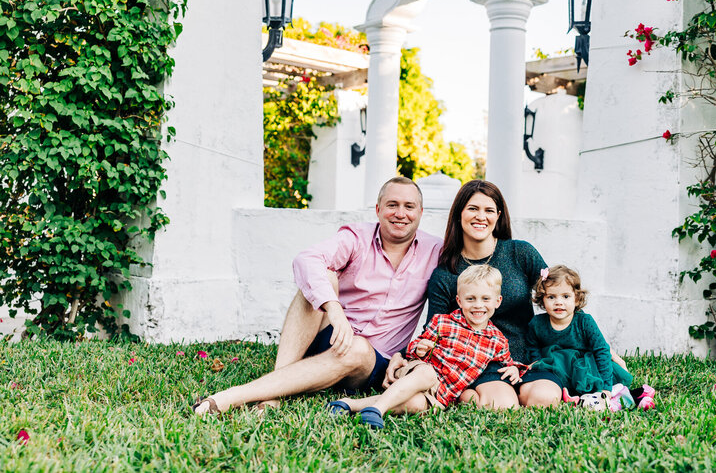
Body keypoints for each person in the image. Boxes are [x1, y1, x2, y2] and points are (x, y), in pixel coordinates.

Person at [192, 176, 442, 415]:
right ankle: (274, 391)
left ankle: (233, 396)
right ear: (377, 209)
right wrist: (334, 309)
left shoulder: (436, 251)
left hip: (372, 362)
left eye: (409, 206)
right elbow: (307, 259)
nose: (400, 213)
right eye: (392, 205)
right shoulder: (357, 237)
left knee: (357, 348)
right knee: (321, 278)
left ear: (420, 213)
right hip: (333, 335)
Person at [384, 179, 627, 410]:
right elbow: (432, 331)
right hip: (479, 362)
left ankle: (514, 390)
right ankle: (468, 394)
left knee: (545, 399)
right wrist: (404, 356)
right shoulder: (445, 274)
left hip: (528, 358)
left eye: (489, 210)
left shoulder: (520, 253)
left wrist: (604, 347)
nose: (481, 216)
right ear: (459, 214)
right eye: (473, 209)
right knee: (502, 406)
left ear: (498, 216)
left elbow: (559, 295)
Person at [327, 264, 527, 429]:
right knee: (427, 374)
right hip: (419, 372)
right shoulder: (443, 322)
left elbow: (506, 361)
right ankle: (377, 410)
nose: (478, 305)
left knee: (415, 404)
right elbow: (416, 345)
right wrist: (420, 348)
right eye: (470, 299)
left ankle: (348, 405)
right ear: (459, 300)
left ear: (498, 301)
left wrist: (513, 368)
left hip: (441, 394)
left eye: (485, 299)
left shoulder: (497, 340)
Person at [526, 265, 632, 397]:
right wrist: (537, 363)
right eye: (551, 297)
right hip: (556, 367)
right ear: (542, 299)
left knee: (608, 377)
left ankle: (613, 392)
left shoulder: (584, 322)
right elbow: (532, 347)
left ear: (576, 299)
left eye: (565, 296)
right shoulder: (537, 324)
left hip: (585, 367)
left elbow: (601, 350)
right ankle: (567, 395)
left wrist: (606, 387)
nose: (558, 302)